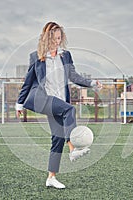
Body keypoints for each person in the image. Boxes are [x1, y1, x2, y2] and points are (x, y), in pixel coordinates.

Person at [16, 21, 102, 189]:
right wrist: (19, 103)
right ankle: (73, 149)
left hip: (59, 101)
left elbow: (74, 76)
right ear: (46, 38)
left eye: (59, 38)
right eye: (54, 38)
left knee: (57, 138)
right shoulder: (36, 56)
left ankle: (51, 178)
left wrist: (91, 82)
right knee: (70, 109)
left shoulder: (66, 55)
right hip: (42, 98)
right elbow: (29, 81)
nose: (57, 41)